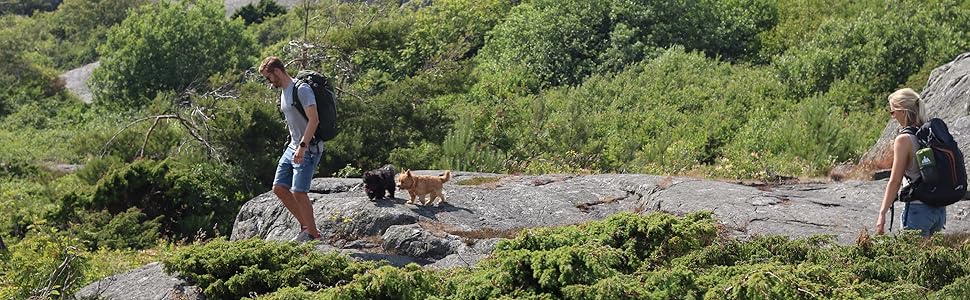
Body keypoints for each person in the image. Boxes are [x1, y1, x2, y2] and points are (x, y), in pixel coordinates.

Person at [259, 56, 324, 242]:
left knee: (299, 192)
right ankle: (306, 226)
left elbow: (314, 120)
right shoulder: (284, 91)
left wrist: (303, 147)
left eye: (268, 77)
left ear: (277, 72)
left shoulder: (301, 89)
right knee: (279, 187)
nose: (269, 82)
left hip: (308, 147)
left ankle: (313, 235)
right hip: (293, 146)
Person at [875, 88, 946, 237]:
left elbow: (895, 180)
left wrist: (882, 213)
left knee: (910, 259)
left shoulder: (904, 139)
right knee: (930, 259)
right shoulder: (931, 133)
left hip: (918, 211)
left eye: (893, 112)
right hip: (939, 211)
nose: (893, 117)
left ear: (903, 111)